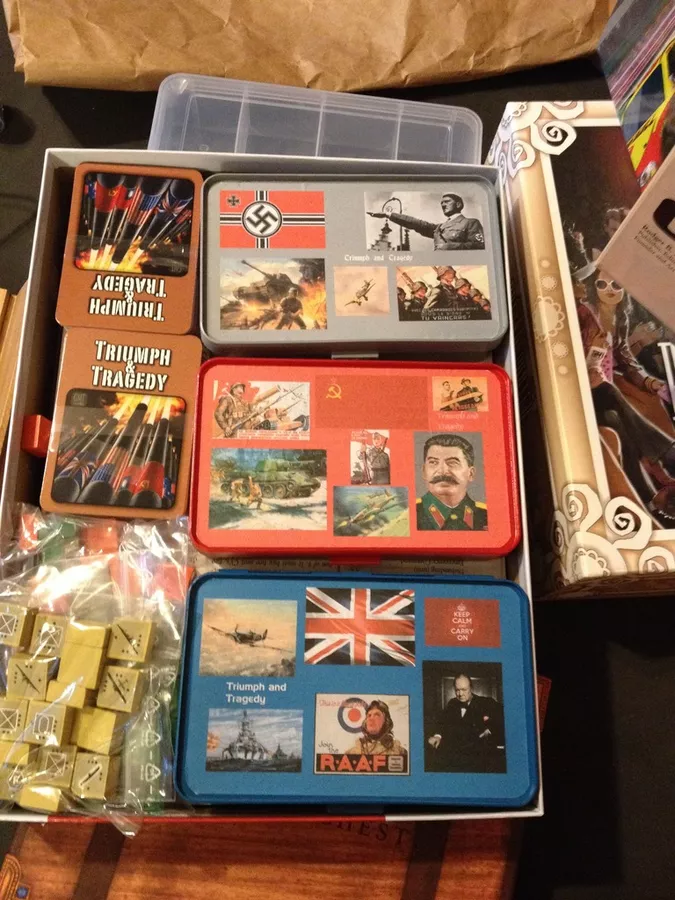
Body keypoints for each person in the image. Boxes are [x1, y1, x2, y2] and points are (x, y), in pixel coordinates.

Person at [427, 674, 505, 773]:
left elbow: (503, 719)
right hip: (455, 761)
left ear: (471, 688)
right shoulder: (452, 703)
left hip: (480, 761)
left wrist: (490, 730)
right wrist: (437, 736)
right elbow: (442, 723)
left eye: (464, 690)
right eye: (457, 690)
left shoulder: (486, 702)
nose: (460, 694)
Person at [416, 433, 487, 530]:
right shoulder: (406, 515)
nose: (442, 471)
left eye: (452, 463)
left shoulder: (487, 516)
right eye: (433, 462)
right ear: (424, 472)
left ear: (470, 474)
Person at [367, 193, 484, 250]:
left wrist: (449, 246)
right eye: (442, 203)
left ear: (458, 204)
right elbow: (417, 224)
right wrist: (388, 214)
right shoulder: (440, 228)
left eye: (447, 202)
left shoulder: (471, 223)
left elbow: (478, 246)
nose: (443, 205)